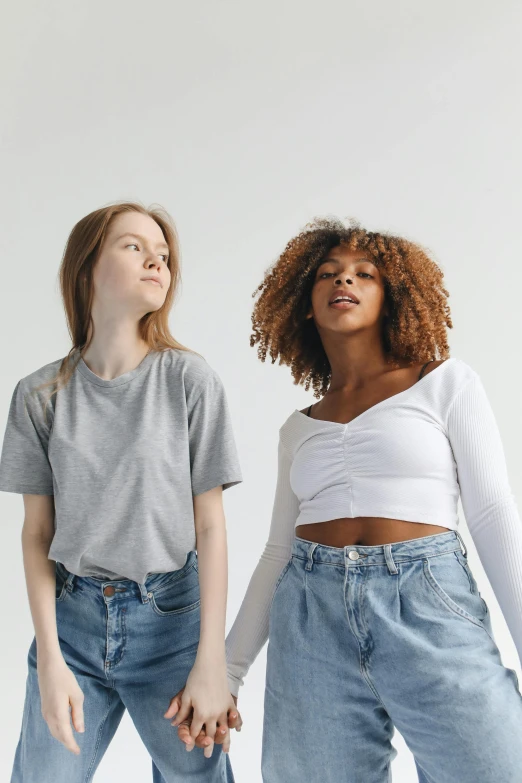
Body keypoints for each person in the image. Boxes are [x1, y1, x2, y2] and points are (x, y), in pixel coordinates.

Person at [221, 218, 522, 782]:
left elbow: (491, 512)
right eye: (329, 274)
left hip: (426, 602)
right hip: (309, 619)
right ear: (306, 305)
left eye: (365, 274)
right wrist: (227, 671)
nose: (346, 280)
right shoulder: (298, 428)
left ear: (391, 297)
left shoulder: (444, 383)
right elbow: (276, 552)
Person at [0, 201, 244, 782]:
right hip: (73, 627)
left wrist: (213, 663)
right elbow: (37, 535)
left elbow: (209, 526)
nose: (156, 261)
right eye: (135, 246)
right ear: (87, 269)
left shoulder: (189, 379)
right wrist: (51, 662)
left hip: (173, 624)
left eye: (163, 254)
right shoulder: (39, 396)